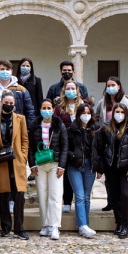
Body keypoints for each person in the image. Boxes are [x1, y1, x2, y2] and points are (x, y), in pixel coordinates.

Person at [95, 103, 128, 239]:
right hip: (111, 169)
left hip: (126, 169)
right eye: (117, 111)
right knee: (115, 196)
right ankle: (119, 223)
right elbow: (101, 147)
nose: (119, 114)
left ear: (126, 113)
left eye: (122, 111)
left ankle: (126, 224)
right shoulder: (107, 128)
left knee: (126, 195)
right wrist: (102, 167)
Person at [0, 91, 30, 240]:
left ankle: (19, 228)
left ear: (14, 104)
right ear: (1, 103)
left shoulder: (21, 119)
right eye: (6, 103)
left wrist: (23, 156)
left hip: (16, 161)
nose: (8, 105)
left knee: (19, 195)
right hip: (0, 161)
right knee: (2, 196)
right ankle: (5, 227)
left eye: (11, 103)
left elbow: (25, 139)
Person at [28, 98, 68, 241]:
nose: (46, 111)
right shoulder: (34, 125)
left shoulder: (59, 125)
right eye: (43, 108)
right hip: (39, 164)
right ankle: (45, 224)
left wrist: (62, 165)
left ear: (53, 109)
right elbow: (30, 146)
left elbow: (65, 147)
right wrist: (31, 164)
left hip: (55, 164)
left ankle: (55, 226)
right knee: (42, 194)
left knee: (55, 194)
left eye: (49, 108)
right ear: (40, 110)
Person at [93, 77, 128, 211]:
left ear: (119, 86)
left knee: (125, 177)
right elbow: (97, 115)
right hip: (108, 139)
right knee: (109, 175)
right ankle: (111, 202)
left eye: (113, 85)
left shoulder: (126, 102)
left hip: (122, 140)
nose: (110, 87)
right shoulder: (102, 102)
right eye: (108, 85)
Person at [53, 80, 93, 213]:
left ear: (77, 90)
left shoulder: (84, 104)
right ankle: (68, 201)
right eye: (68, 88)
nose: (70, 90)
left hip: (81, 140)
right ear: (64, 91)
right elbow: (55, 122)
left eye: (73, 88)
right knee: (67, 171)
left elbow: (92, 121)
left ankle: (80, 202)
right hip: (65, 140)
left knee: (80, 171)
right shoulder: (59, 107)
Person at [67, 103, 100, 238]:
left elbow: (100, 149)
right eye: (83, 113)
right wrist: (72, 156)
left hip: (90, 166)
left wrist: (99, 168)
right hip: (75, 166)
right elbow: (66, 147)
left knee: (87, 197)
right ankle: (83, 225)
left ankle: (84, 225)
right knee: (79, 196)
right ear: (78, 114)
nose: (86, 115)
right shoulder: (72, 129)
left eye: (88, 113)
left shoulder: (96, 129)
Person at [0, 59, 35, 125]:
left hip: (15, 128)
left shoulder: (21, 90)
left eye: (7, 69)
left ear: (11, 71)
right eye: (2, 69)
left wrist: (27, 130)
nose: (5, 71)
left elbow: (30, 112)